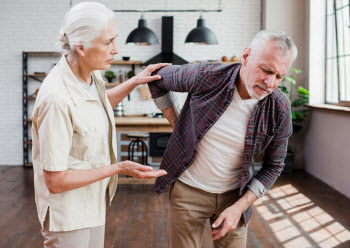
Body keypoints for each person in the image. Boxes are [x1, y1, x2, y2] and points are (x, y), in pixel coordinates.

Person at [31, 2, 168, 248]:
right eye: (108, 42)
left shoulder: (90, 74)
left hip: (92, 202)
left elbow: (98, 103)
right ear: (81, 47)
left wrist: (135, 81)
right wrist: (118, 167)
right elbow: (55, 180)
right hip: (68, 215)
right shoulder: (56, 100)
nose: (115, 49)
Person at [148, 30, 297, 248]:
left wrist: (238, 208)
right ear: (246, 56)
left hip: (235, 196)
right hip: (188, 191)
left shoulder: (280, 107)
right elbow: (157, 78)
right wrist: (177, 123)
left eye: (279, 76)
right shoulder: (206, 76)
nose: (270, 82)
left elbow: (274, 166)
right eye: (266, 70)